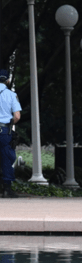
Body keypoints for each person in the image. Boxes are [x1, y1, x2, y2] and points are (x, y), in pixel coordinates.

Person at [0, 69, 21, 198]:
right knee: (7, 158)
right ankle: (7, 189)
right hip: (4, 131)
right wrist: (10, 123)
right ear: (7, 80)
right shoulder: (11, 95)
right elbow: (17, 116)